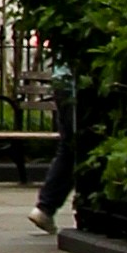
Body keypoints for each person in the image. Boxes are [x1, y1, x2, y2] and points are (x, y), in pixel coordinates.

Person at [32, 53, 82, 235]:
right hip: (74, 82)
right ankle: (46, 206)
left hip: (63, 81)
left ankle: (46, 207)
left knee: (69, 148)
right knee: (75, 148)